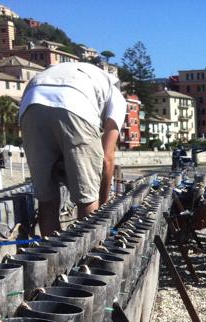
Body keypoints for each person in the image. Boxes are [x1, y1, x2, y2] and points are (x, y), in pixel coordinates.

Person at [19, 62, 127, 236]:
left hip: (31, 103)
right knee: (87, 199)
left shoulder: (77, 73)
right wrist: (102, 203)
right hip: (75, 103)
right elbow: (107, 158)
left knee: (47, 200)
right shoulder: (116, 95)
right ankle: (88, 251)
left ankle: (52, 251)